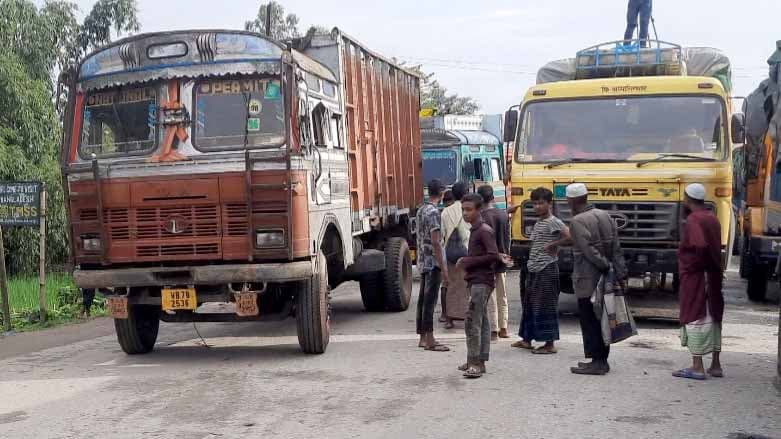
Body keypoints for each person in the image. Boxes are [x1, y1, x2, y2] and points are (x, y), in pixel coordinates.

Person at [566, 183, 627, 375]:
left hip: (588, 278)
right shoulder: (605, 215)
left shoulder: (577, 221)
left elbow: (588, 250)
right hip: (606, 276)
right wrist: (619, 271)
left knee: (590, 319)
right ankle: (599, 359)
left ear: (572, 200)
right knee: (602, 318)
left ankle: (598, 361)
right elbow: (616, 247)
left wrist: (604, 265)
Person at [456, 194, 512, 379]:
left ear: (479, 210)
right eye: (463, 209)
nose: (465, 213)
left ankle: (475, 363)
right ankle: (477, 359)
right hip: (476, 280)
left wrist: (467, 261)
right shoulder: (476, 229)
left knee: (473, 321)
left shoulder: (484, 230)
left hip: (482, 281)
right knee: (483, 321)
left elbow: (492, 255)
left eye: (469, 209)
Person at [673, 183, 725, 380]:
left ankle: (697, 366)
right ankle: (716, 365)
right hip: (712, 275)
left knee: (696, 315)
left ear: (687, 199)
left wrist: (693, 266)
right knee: (713, 314)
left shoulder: (694, 219)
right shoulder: (712, 218)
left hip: (698, 276)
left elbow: (700, 246)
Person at [513, 187, 570, 354]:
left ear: (549, 204)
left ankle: (549, 344)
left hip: (547, 268)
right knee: (530, 304)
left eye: (541, 203)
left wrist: (553, 246)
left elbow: (570, 236)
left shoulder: (554, 221)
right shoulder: (539, 222)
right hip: (534, 269)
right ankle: (526, 339)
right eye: (535, 203)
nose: (537, 207)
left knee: (546, 306)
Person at [415, 179, 450, 352]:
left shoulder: (421, 210)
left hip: (422, 260)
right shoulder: (434, 212)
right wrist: (444, 268)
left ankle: (422, 337)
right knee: (430, 301)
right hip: (433, 262)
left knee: (423, 300)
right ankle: (430, 339)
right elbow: (436, 242)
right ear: (442, 193)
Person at [477, 185, 510, 340]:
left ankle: (494, 330)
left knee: (490, 296)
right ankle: (504, 327)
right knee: (502, 295)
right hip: (502, 259)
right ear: (493, 198)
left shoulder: (481, 217)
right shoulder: (503, 215)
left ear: (480, 200)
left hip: (488, 261)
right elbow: (507, 238)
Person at [441, 182, 471, 329]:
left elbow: (442, 235)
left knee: (451, 286)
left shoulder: (446, 211)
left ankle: (449, 319)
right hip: (467, 252)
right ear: (465, 193)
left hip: (450, 253)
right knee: (467, 285)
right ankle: (467, 315)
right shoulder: (470, 209)